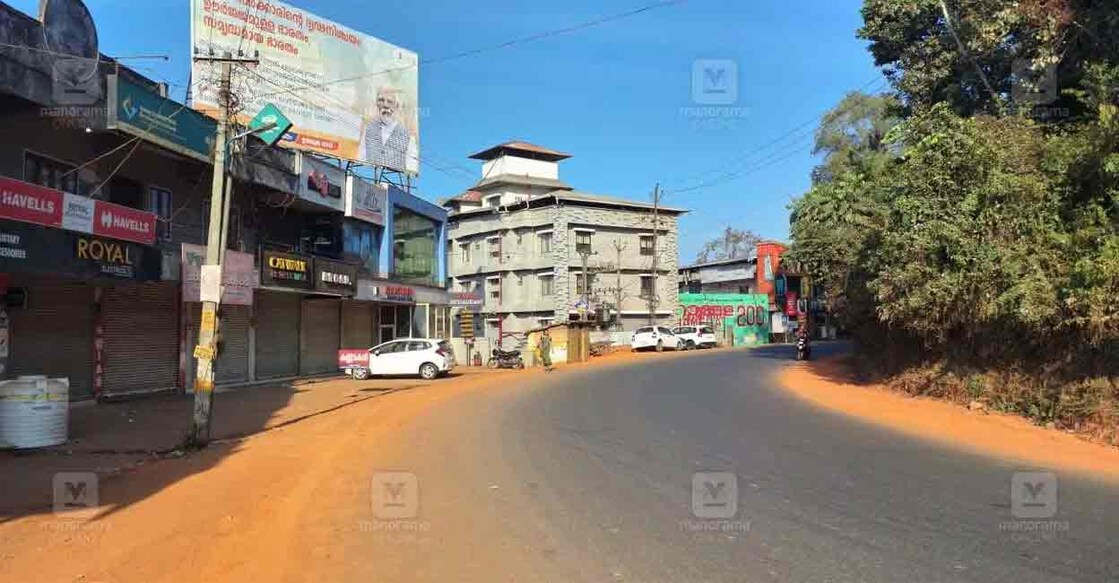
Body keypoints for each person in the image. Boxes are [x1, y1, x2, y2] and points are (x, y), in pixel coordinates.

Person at [358, 87, 418, 174]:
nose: (385, 105)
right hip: (368, 179)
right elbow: (360, 159)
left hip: (394, 180)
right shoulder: (369, 129)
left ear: (397, 106)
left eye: (389, 101)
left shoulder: (408, 136)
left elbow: (411, 167)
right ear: (376, 103)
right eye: (381, 100)